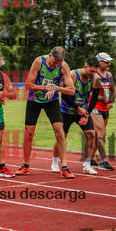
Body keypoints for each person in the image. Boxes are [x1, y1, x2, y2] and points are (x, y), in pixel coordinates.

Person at [16, 47, 76, 178]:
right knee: (29, 133)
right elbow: (28, 85)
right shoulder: (38, 62)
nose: (54, 65)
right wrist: (44, 87)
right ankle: (25, 166)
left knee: (60, 131)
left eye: (57, 64)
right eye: (53, 63)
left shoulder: (64, 66)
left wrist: (56, 88)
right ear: (49, 56)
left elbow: (71, 90)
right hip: (34, 100)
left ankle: (64, 167)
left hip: (51, 101)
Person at [51, 57, 101, 175]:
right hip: (67, 110)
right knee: (62, 136)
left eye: (95, 72)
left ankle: (87, 165)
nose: (93, 74)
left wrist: (86, 114)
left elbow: (94, 99)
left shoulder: (96, 79)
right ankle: (54, 162)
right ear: (85, 67)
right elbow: (65, 95)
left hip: (83, 111)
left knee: (91, 134)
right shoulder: (73, 75)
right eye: (91, 71)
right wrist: (77, 108)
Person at [89, 52, 116, 171]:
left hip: (105, 108)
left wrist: (111, 101)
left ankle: (90, 158)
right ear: (99, 62)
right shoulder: (94, 75)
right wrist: (101, 98)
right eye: (106, 62)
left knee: (98, 135)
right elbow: (89, 93)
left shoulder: (109, 75)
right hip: (95, 107)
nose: (108, 64)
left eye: (109, 61)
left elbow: (113, 90)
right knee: (101, 133)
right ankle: (103, 161)